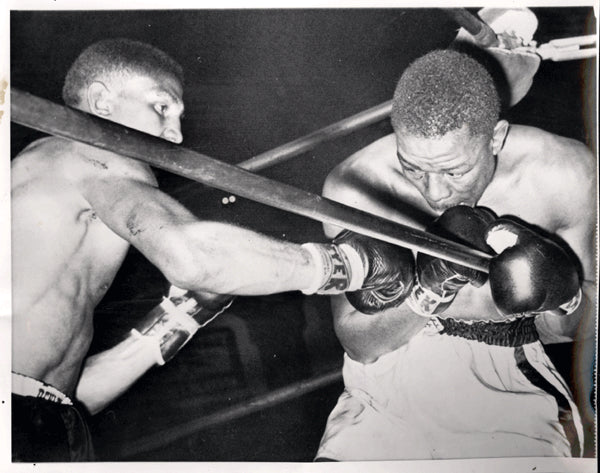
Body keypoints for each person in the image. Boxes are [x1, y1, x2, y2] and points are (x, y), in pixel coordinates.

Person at [10, 38, 415, 462]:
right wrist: (348, 264)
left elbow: (61, 399)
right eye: (162, 107)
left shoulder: (52, 182)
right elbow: (190, 257)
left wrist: (180, 319)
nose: (176, 134)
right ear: (101, 102)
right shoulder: (89, 152)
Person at [315, 49, 596, 460]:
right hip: (384, 387)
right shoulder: (357, 186)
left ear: (496, 137)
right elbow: (359, 343)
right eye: (412, 168)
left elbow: (576, 328)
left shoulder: (563, 174)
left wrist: (560, 290)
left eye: (454, 171)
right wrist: (426, 294)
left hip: (509, 381)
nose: (434, 193)